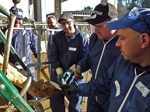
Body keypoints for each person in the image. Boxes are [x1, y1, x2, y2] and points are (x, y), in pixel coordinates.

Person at [63, 7, 150, 112]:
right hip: (94, 99)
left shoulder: (124, 55)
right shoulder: (123, 61)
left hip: (106, 101)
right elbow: (104, 81)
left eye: (122, 38)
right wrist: (78, 87)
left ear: (143, 40)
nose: (118, 44)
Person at [74, 3, 121, 112]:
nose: (95, 30)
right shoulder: (95, 38)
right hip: (93, 95)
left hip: (111, 99)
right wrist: (80, 66)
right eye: (94, 26)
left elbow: (110, 80)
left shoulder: (123, 43)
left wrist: (81, 89)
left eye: (99, 26)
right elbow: (90, 57)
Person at [48, 13, 89, 112]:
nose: (66, 26)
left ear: (73, 21)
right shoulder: (56, 37)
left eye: (68, 23)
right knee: (56, 106)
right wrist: (59, 71)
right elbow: (53, 55)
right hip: (58, 78)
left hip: (75, 79)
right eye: (63, 24)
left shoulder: (83, 38)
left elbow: (86, 57)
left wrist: (71, 70)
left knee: (75, 107)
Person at [7, 8, 37, 102]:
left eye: (19, 19)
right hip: (11, 68)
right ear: (10, 19)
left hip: (26, 66)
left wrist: (37, 56)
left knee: (31, 90)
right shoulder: (5, 32)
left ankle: (33, 108)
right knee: (14, 92)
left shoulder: (28, 32)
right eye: (15, 18)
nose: (17, 21)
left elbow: (35, 47)